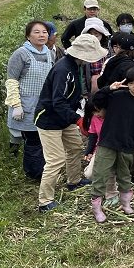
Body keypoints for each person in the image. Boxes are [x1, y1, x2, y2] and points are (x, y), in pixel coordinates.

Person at [35, 34, 107, 212]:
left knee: (75, 147)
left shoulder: (75, 65)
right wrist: (78, 119)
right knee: (55, 159)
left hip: (64, 116)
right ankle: (45, 201)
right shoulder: (63, 70)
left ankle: (73, 181)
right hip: (49, 119)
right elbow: (57, 101)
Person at [88, 68, 134, 222]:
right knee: (100, 175)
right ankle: (97, 208)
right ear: (127, 84)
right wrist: (109, 88)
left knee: (124, 176)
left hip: (128, 145)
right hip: (108, 142)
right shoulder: (118, 96)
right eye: (131, 83)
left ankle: (126, 204)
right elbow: (96, 101)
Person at [5, 20, 53, 179]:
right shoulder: (21, 54)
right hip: (25, 104)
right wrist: (16, 105)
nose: (41, 35)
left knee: (41, 139)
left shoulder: (49, 53)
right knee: (32, 139)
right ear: (28, 36)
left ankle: (39, 169)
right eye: (36, 32)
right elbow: (11, 81)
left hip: (42, 104)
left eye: (44, 32)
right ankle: (33, 173)